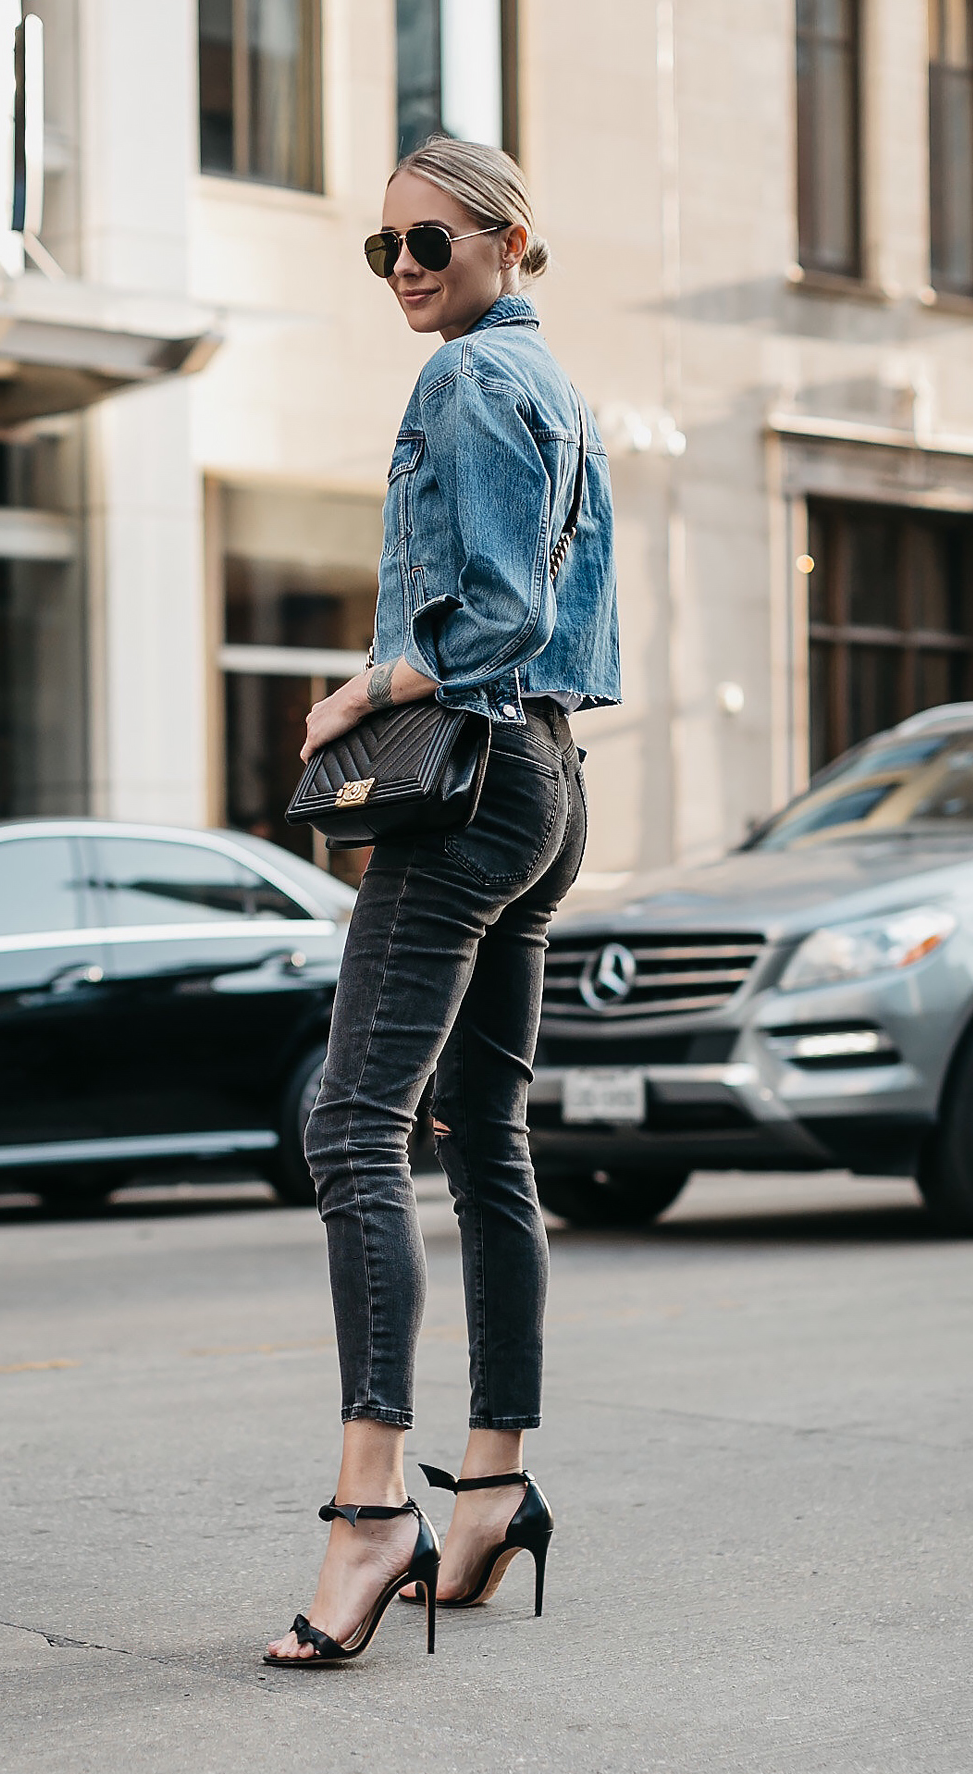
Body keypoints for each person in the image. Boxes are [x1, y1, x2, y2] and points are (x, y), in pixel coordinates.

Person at [265, 136, 620, 1667]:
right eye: (386, 248)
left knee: (351, 1126)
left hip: (468, 785)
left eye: (432, 241)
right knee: (489, 1145)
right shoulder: (560, 391)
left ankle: (370, 1514)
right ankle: (489, 1491)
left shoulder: (473, 382)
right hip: (549, 784)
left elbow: (498, 613)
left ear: (509, 242)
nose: (407, 266)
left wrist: (367, 686)